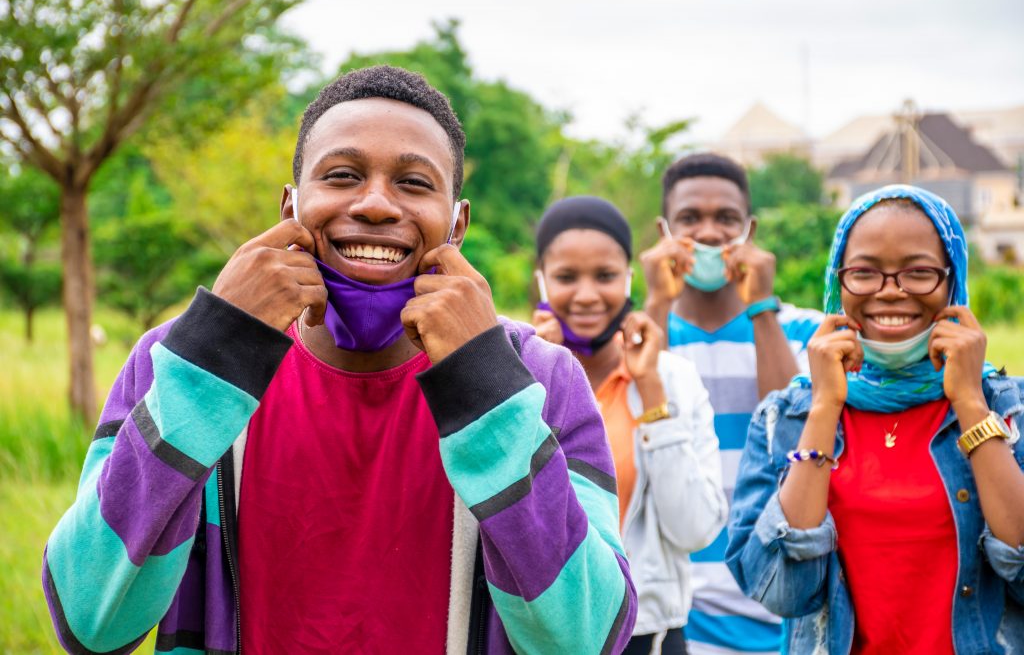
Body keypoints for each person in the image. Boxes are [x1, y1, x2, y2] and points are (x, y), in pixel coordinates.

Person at [42, 66, 638, 655]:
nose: (376, 205)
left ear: (457, 223)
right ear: (290, 207)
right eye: (343, 175)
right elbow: (88, 620)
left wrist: (483, 386)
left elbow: (587, 639)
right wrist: (215, 356)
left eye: (414, 183)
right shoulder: (177, 360)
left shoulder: (540, 379)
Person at [726, 185, 1024, 653]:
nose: (890, 292)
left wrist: (968, 399)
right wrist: (824, 407)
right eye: (865, 273)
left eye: (919, 272)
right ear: (838, 280)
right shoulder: (785, 416)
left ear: (953, 279)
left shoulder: (1009, 409)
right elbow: (780, 590)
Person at [639, 153, 822, 655]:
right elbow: (640, 417)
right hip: (674, 617)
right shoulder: (635, 336)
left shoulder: (804, 332)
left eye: (726, 219)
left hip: (779, 607)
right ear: (663, 230)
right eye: (690, 219)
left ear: (750, 230)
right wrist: (656, 302)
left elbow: (791, 432)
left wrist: (762, 308)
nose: (710, 233)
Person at [531, 196, 728, 655]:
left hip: (647, 636)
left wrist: (652, 391)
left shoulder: (672, 379)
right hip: (542, 635)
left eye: (604, 276)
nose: (585, 295)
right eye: (566, 277)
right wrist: (535, 376)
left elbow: (695, 529)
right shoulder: (515, 369)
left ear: (628, 280)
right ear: (542, 279)